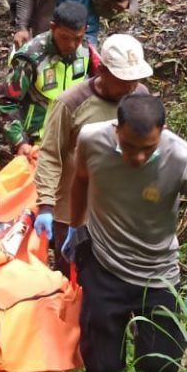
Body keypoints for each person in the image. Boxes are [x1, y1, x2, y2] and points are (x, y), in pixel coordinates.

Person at [65, 94, 187, 372]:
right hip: (104, 265)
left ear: (162, 132)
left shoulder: (182, 158)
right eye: (129, 146)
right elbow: (81, 179)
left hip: (157, 274)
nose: (138, 156)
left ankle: (145, 350)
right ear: (117, 129)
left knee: (160, 364)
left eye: (148, 148)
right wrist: (76, 227)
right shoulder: (90, 139)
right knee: (102, 368)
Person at [34, 34, 152, 272]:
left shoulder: (140, 96)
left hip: (118, 207)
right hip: (73, 209)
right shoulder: (71, 103)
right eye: (123, 79)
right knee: (70, 272)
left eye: (135, 79)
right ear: (102, 70)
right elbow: (50, 154)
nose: (130, 85)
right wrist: (46, 204)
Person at [0, 0, 96, 157]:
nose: (71, 45)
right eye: (65, 37)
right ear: (52, 27)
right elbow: (7, 102)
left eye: (77, 38)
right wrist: (20, 142)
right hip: (35, 144)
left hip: (69, 141)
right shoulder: (30, 57)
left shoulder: (85, 51)